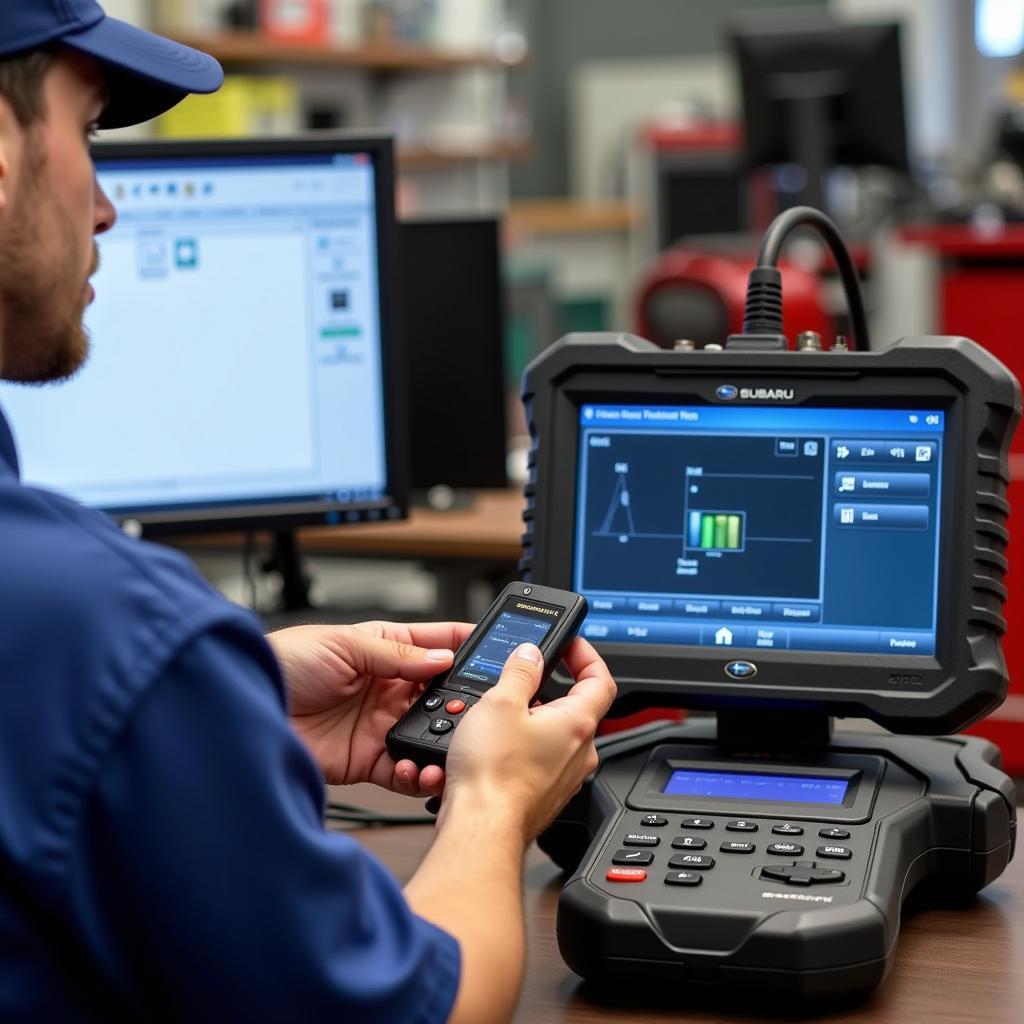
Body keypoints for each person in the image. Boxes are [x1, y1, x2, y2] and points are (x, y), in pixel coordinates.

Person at [0, 3, 617, 1021]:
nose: (106, 207)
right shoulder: (97, 627)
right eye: (90, 128)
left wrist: (212, 703)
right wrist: (493, 802)